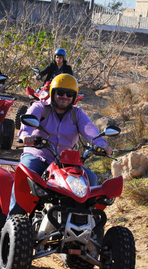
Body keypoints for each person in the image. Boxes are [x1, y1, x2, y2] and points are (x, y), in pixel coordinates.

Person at [8, 74, 113, 215]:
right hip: (38, 157)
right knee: (25, 176)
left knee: (91, 179)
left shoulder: (78, 114)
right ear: (53, 93)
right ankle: (12, 220)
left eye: (69, 94)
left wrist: (102, 145)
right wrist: (27, 136)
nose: (64, 96)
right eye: (60, 93)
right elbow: (27, 125)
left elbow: (90, 130)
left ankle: (87, 221)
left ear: (74, 97)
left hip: (65, 163)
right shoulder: (40, 107)